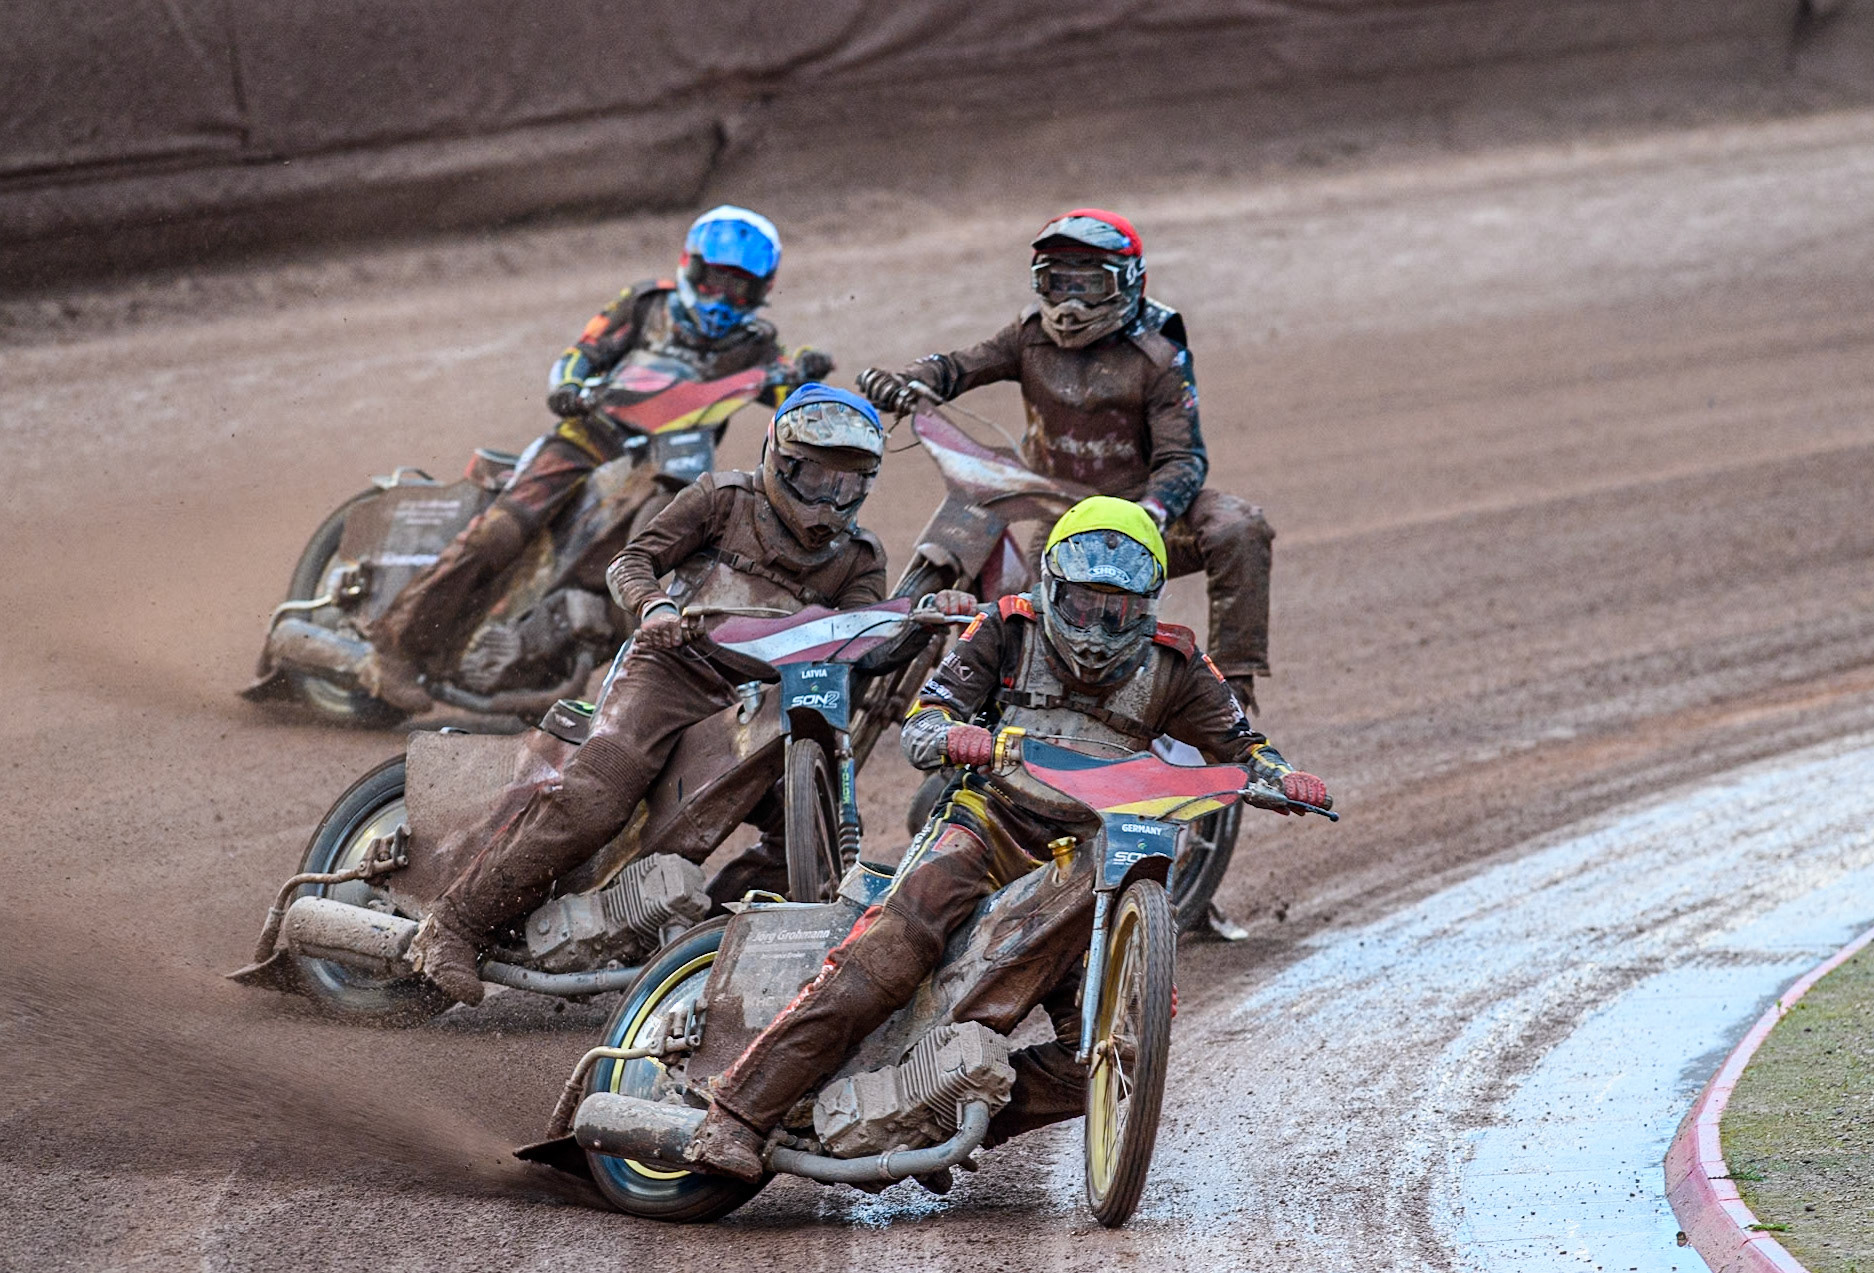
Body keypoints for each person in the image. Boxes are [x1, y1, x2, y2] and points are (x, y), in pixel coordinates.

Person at [680, 496, 1328, 1180]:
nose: (1096, 629)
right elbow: (925, 722)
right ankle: (737, 1114)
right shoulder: (1006, 628)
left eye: (1118, 611)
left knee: (1111, 1056)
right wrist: (956, 736)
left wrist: (1280, 778)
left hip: (1093, 863)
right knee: (885, 956)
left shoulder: (1177, 663)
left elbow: (1245, 745)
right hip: (985, 829)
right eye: (1081, 605)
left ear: (1148, 606)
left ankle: (933, 1108)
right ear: (1051, 587)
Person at [406, 384, 920, 1006]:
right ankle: (454, 926)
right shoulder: (721, 499)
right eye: (813, 478)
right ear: (778, 459)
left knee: (805, 840)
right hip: (670, 670)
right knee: (596, 797)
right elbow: (631, 561)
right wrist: (655, 605)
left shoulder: (860, 557)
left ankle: (689, 956)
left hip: (757, 704)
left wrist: (919, 623)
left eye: (845, 486)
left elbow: (858, 644)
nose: (826, 501)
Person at [363, 205, 834, 710]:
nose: (723, 297)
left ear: (761, 291)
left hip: (669, 468)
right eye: (716, 279)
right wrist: (567, 385)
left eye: (739, 286)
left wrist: (804, 368)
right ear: (691, 266)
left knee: (666, 553)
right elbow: (581, 353)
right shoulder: (647, 302)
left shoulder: (755, 344)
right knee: (501, 531)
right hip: (589, 437)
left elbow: (786, 390)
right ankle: (393, 648)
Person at [856, 208, 1275, 713]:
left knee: (1238, 526)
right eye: (1056, 283)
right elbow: (961, 365)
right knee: (1037, 626)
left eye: (1089, 284)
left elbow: (1182, 458)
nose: (1071, 303)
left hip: (1142, 512)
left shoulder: (1160, 356)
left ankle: (1232, 684)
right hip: (1059, 516)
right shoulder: (1028, 337)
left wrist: (1151, 512)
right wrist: (912, 379)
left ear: (1128, 283)